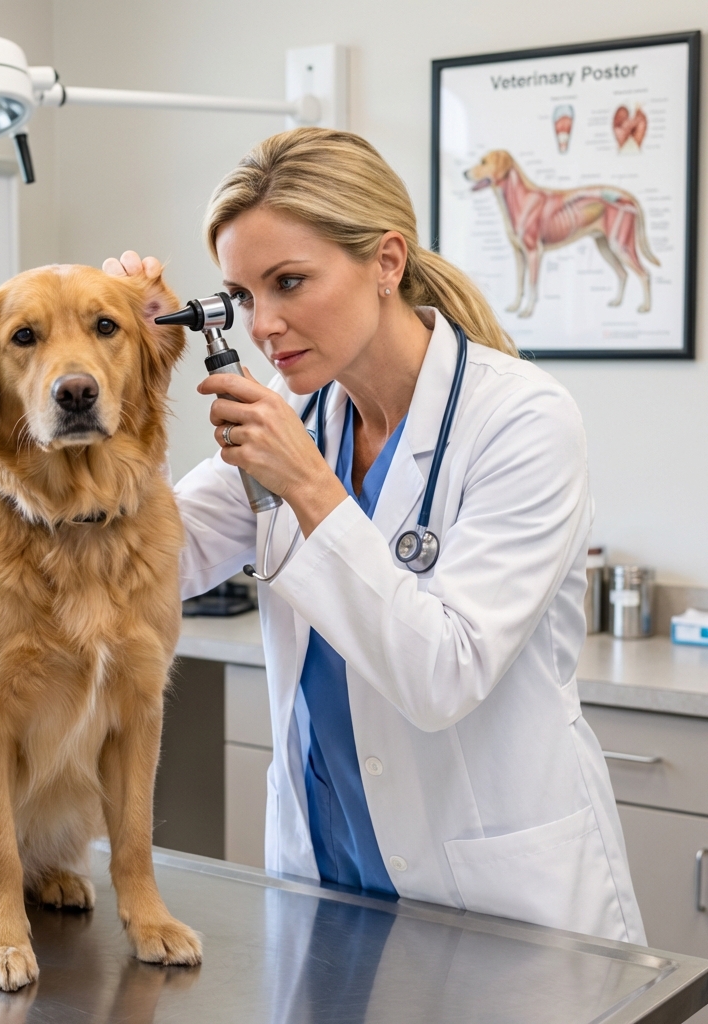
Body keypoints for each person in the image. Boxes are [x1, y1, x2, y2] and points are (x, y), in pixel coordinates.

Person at [104, 127, 644, 943]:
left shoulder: (523, 420)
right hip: (328, 877)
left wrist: (312, 489)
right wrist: (117, 359)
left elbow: (443, 676)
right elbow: (135, 565)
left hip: (496, 902)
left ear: (386, 262)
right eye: (246, 296)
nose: (264, 325)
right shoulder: (295, 424)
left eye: (290, 282)